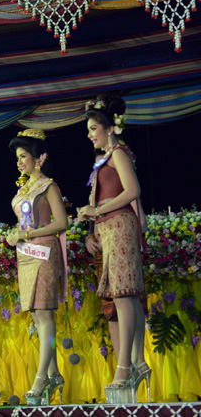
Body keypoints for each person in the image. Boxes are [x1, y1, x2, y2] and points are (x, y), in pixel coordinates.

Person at [78, 95, 148, 403]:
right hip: (108, 227)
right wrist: (92, 221)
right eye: (90, 129)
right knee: (123, 295)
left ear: (109, 128)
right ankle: (133, 363)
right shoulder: (104, 159)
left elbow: (133, 191)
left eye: (94, 128)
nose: (90, 134)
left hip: (120, 224)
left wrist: (99, 210)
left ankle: (125, 366)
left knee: (124, 294)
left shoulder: (118, 152)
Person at [6, 129, 68, 405]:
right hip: (26, 255)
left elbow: (62, 223)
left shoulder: (48, 186)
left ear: (39, 158)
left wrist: (28, 235)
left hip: (43, 251)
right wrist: (15, 235)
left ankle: (41, 377)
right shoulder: (24, 189)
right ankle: (54, 373)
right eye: (18, 157)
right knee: (36, 317)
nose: (20, 162)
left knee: (44, 315)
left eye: (24, 156)